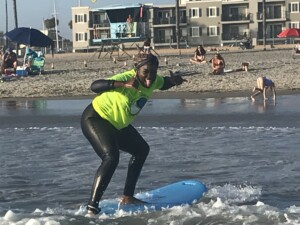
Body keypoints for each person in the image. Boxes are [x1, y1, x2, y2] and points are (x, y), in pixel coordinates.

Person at [81, 53, 187, 215]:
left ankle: (127, 197)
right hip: (96, 119)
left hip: (117, 124)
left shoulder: (153, 80)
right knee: (111, 157)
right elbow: (95, 86)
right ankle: (92, 207)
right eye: (146, 72)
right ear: (136, 70)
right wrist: (123, 84)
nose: (150, 77)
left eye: (153, 72)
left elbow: (163, 83)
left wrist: (173, 81)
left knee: (141, 150)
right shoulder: (127, 78)